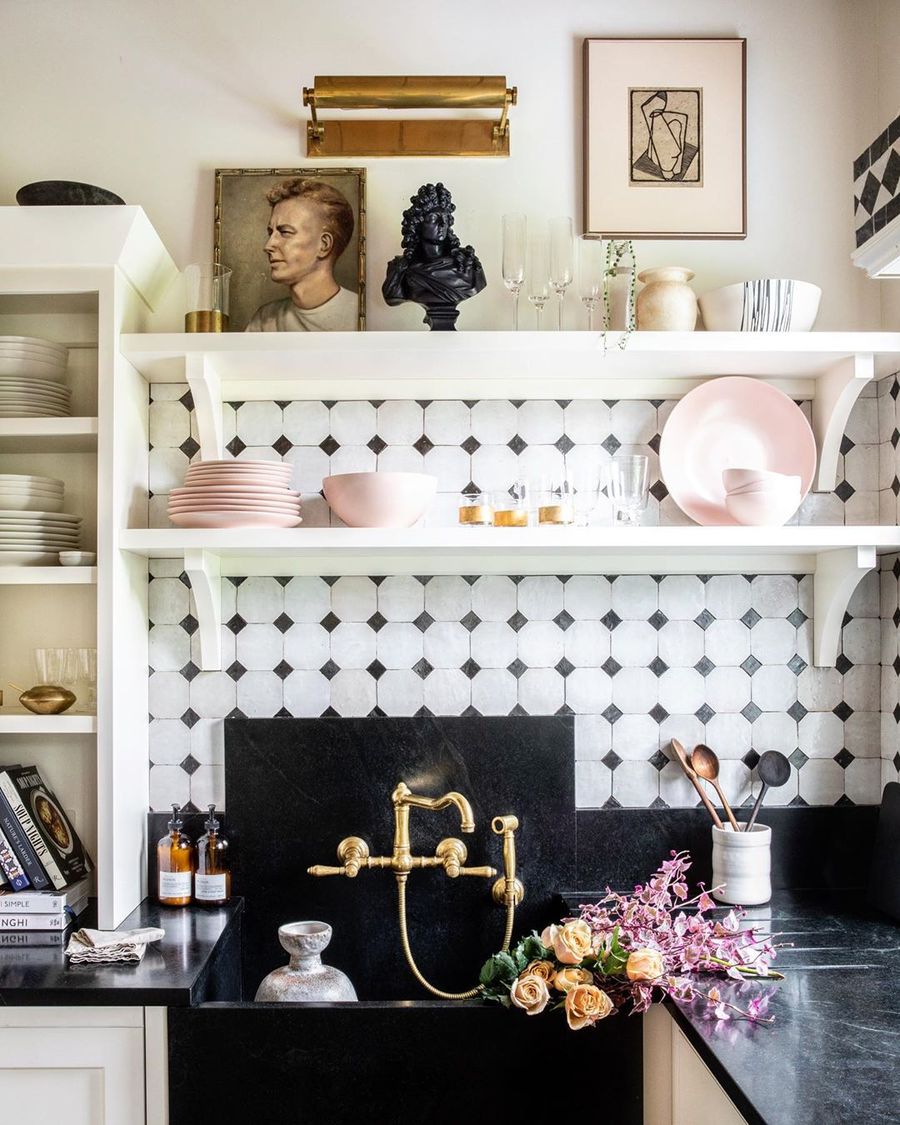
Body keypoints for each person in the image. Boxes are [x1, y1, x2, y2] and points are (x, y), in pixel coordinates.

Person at [246, 178, 358, 331]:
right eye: (271, 233)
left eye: (285, 232)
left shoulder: (358, 314)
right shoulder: (264, 321)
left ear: (324, 245)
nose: (268, 246)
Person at [382, 182, 486, 330]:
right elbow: (391, 297)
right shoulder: (402, 268)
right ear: (419, 223)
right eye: (434, 219)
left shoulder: (467, 266)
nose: (442, 224)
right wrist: (397, 273)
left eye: (446, 218)